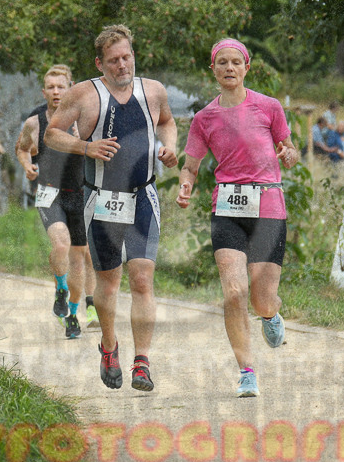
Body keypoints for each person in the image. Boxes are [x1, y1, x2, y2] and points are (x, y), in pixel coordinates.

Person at [44, 24, 178, 392]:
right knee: (108, 281)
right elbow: (52, 133)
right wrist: (86, 147)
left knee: (142, 279)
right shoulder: (83, 95)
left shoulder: (153, 91)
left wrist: (169, 148)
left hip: (144, 196)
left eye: (127, 57)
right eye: (114, 61)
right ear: (100, 63)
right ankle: (108, 345)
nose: (122, 66)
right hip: (101, 198)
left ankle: (142, 363)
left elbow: (167, 122)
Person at [177, 38, 298, 397]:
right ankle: (247, 370)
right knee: (233, 292)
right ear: (212, 70)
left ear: (247, 68)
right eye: (222, 63)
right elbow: (191, 166)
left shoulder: (269, 107)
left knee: (261, 298)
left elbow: (289, 148)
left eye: (236, 62)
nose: (229, 68)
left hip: (268, 209)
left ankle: (270, 314)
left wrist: (289, 155)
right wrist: (185, 185)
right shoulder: (204, 119)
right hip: (227, 209)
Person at [15, 64, 98, 339]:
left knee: (79, 258)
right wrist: (27, 166)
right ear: (44, 91)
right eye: (51, 87)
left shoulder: (82, 119)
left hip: (80, 194)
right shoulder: (35, 122)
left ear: (70, 88)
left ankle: (73, 314)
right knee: (61, 245)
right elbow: (22, 148)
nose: (56, 91)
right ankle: (60, 287)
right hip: (50, 194)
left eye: (61, 86)